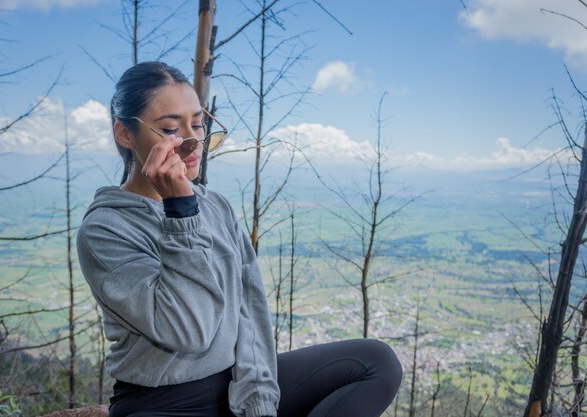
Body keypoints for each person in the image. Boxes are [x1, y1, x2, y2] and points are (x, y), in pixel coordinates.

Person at [76, 61, 402, 417]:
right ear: (125, 133)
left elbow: (249, 308)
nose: (194, 140)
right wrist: (180, 212)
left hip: (235, 383)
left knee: (376, 361)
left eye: (199, 124)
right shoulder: (105, 229)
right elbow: (188, 331)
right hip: (163, 401)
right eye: (171, 128)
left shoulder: (214, 206)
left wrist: (258, 399)